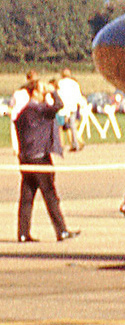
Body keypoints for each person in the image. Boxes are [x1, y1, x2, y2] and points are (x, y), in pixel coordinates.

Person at [13, 74, 79, 242]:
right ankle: (61, 230)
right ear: (34, 92)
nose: (44, 93)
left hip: (26, 158)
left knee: (27, 198)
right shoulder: (39, 109)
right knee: (50, 195)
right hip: (40, 159)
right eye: (41, 90)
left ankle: (22, 233)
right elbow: (59, 105)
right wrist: (54, 91)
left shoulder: (24, 112)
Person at [54, 68, 84, 152]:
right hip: (73, 106)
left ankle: (60, 145)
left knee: (59, 127)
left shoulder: (60, 83)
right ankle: (75, 144)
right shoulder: (74, 83)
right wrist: (80, 105)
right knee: (72, 126)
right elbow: (78, 95)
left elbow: (58, 95)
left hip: (63, 108)